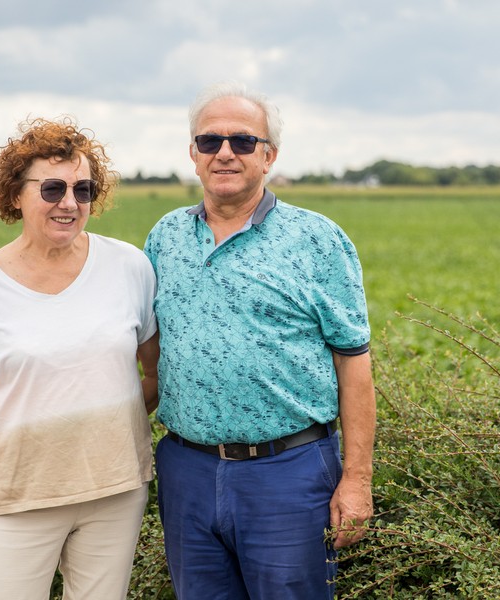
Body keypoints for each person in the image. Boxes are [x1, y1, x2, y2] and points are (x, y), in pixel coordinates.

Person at [143, 82, 376, 600]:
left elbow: (354, 362)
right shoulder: (165, 236)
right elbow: (150, 355)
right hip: (187, 469)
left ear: (268, 155)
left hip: (287, 473)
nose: (225, 152)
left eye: (243, 141)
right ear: (193, 155)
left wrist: (357, 479)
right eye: (210, 142)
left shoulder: (317, 239)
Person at [0, 116, 159, 599]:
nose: (69, 203)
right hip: (14, 504)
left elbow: (153, 373)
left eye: (83, 189)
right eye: (51, 189)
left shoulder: (129, 267)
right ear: (15, 194)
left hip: (116, 494)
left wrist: (100, 423)